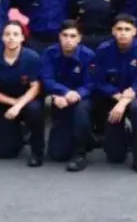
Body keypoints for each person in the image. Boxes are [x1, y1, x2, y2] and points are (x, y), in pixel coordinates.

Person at [93, 14, 137, 174]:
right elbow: (98, 81)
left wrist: (125, 100)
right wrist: (116, 96)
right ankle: (123, 136)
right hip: (113, 97)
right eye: (119, 29)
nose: (123, 33)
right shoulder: (103, 50)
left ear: (134, 31)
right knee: (115, 157)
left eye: (127, 29)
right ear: (113, 31)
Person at [0, 22, 44, 166]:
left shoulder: (32, 57)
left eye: (16, 34)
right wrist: (13, 103)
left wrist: (19, 105)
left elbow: (35, 87)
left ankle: (37, 151)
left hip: (28, 100)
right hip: (5, 103)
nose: (11, 38)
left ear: (22, 38)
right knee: (5, 153)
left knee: (34, 110)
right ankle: (19, 133)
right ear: (2, 38)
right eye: (7, 34)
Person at [41, 21, 96, 172]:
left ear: (79, 38)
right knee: (57, 155)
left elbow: (91, 84)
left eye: (73, 36)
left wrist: (76, 94)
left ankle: (80, 153)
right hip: (59, 99)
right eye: (64, 35)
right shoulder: (49, 53)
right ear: (59, 36)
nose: (68, 39)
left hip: (82, 99)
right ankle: (87, 138)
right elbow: (47, 79)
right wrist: (61, 93)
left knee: (81, 110)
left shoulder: (89, 55)